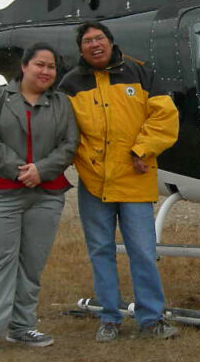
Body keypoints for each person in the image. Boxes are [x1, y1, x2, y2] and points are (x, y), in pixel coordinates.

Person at [57, 21, 180, 342]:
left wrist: (143, 149)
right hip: (94, 184)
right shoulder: (70, 84)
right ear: (80, 48)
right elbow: (62, 130)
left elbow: (165, 116)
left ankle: (151, 317)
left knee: (142, 250)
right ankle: (109, 318)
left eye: (100, 39)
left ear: (111, 43)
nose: (94, 44)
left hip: (135, 181)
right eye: (87, 41)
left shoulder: (140, 73)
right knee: (100, 251)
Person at [0, 43, 79, 358]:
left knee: (31, 264)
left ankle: (22, 326)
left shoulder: (61, 104)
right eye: (39, 64)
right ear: (24, 66)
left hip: (46, 194)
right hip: (1, 193)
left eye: (51, 67)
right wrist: (20, 171)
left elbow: (70, 144)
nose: (45, 72)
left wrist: (41, 171)